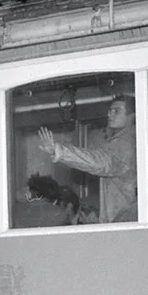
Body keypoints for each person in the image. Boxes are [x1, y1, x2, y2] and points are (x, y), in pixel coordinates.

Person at [36, 95, 137, 223]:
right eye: (109, 111)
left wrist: (59, 151)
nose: (109, 115)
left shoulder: (124, 144)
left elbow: (99, 162)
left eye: (116, 111)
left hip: (124, 222)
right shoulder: (135, 140)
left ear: (132, 115)